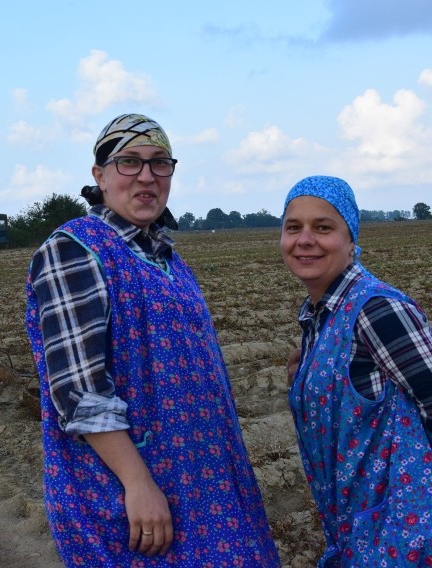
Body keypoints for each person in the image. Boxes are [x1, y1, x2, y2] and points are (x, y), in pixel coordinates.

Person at [26, 113, 280, 566]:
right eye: (129, 162)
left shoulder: (166, 255)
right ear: (100, 175)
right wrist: (138, 484)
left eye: (160, 163)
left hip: (202, 481)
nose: (146, 176)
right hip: (135, 492)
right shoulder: (74, 249)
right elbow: (81, 393)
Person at [281, 176, 432, 567]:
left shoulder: (376, 309)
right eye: (293, 227)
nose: (304, 239)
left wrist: (414, 473)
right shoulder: (319, 315)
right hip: (362, 529)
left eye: (323, 227)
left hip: (409, 535)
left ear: (350, 239)